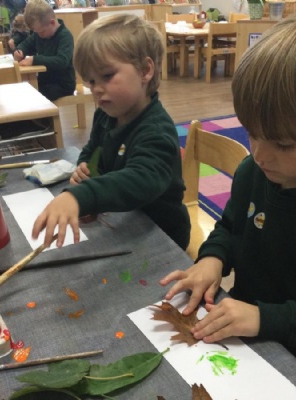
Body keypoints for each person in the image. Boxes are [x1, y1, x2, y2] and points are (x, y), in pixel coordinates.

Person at [159, 12, 296, 400]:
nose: (260, 154)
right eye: (251, 133)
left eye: (283, 144)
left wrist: (264, 318)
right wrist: (212, 259)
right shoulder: (254, 172)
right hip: (243, 342)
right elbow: (231, 227)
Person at [32, 14, 190, 251]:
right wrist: (86, 167)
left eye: (107, 76)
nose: (96, 89)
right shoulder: (105, 115)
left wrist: (80, 196)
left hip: (163, 235)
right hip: (123, 221)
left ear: (145, 70)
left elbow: (140, 180)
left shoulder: (156, 130)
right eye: (91, 81)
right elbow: (93, 149)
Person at [13, 0, 75, 101]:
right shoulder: (39, 34)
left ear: (52, 23)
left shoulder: (65, 36)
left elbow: (61, 61)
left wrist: (34, 60)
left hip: (62, 85)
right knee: (24, 92)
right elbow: (25, 45)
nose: (39, 35)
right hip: (45, 82)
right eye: (36, 32)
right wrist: (19, 51)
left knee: (36, 98)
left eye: (41, 32)